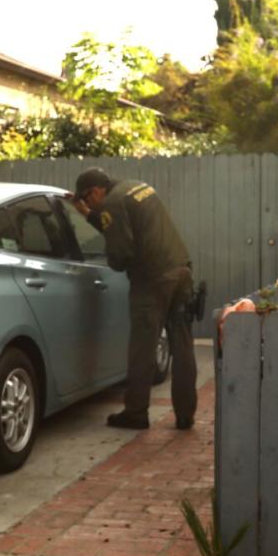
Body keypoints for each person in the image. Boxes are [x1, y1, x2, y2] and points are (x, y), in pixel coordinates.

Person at [73, 167, 197, 430]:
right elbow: (126, 223)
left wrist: (111, 259)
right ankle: (185, 414)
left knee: (142, 348)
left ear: (95, 191)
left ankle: (136, 412)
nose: (86, 204)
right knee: (183, 345)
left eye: (85, 199)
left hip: (152, 280)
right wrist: (90, 216)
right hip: (181, 270)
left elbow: (121, 253)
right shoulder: (136, 186)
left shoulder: (111, 204)